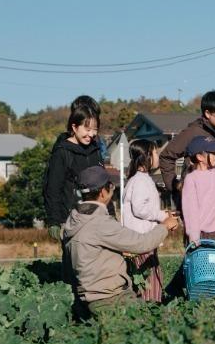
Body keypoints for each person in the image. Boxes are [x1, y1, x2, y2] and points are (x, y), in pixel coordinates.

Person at [62, 166, 173, 316]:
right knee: (157, 324)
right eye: (111, 186)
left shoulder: (73, 220)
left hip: (88, 299)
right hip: (112, 299)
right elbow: (143, 243)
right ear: (103, 192)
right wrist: (164, 226)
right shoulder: (101, 223)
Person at [122, 139, 180, 302]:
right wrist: (163, 217)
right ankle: (149, 310)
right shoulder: (140, 180)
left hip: (142, 240)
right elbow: (140, 209)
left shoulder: (139, 179)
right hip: (142, 241)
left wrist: (164, 213)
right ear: (146, 156)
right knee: (149, 279)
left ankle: (149, 307)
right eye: (155, 153)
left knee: (150, 277)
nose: (157, 156)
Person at [157, 89, 215, 199]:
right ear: (207, 113)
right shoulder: (193, 132)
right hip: (200, 199)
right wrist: (176, 187)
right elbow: (166, 157)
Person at [43, 100, 104, 241]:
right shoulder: (62, 152)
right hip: (71, 218)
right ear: (74, 127)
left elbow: (102, 184)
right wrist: (54, 220)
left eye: (95, 130)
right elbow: (52, 188)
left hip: (96, 217)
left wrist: (110, 213)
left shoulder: (95, 150)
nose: (91, 134)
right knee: (75, 260)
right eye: (87, 130)